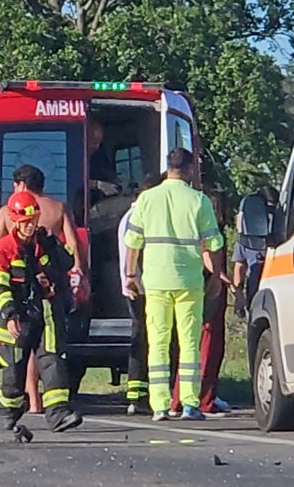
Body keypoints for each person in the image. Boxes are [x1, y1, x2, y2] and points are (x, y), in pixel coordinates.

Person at [123, 148, 228, 421]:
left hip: (156, 279)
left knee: (157, 341)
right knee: (189, 341)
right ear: (190, 169)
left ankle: (160, 405)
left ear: (168, 167)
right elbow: (214, 243)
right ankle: (189, 404)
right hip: (188, 280)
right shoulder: (198, 200)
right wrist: (215, 276)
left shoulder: (147, 199)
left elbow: (132, 241)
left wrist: (130, 275)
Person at [0, 164, 86, 412]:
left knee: (25, 347)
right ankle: (47, 401)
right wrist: (80, 276)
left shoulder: (7, 212)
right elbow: (73, 246)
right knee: (49, 346)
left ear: (21, 185)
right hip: (51, 286)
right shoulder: (57, 208)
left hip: (21, 287)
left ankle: (34, 401)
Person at [168, 189, 232, 416]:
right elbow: (207, 254)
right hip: (209, 289)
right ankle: (202, 398)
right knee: (207, 345)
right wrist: (223, 279)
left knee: (193, 346)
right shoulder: (209, 229)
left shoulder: (195, 226)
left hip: (198, 286)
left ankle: (178, 399)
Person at [118, 172, 164, 415]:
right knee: (144, 339)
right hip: (142, 286)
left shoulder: (130, 215)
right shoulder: (139, 216)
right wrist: (133, 279)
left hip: (135, 284)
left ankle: (137, 393)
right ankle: (138, 394)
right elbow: (132, 251)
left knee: (141, 337)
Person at [233, 185, 279, 318]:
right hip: (255, 294)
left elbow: (239, 266)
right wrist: (239, 296)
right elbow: (239, 266)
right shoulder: (247, 238)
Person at [88, 120, 122, 203]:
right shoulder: (72, 157)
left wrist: (115, 181)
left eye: (99, 143)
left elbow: (106, 171)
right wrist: (97, 184)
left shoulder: (98, 158)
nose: (97, 147)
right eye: (94, 142)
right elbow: (74, 181)